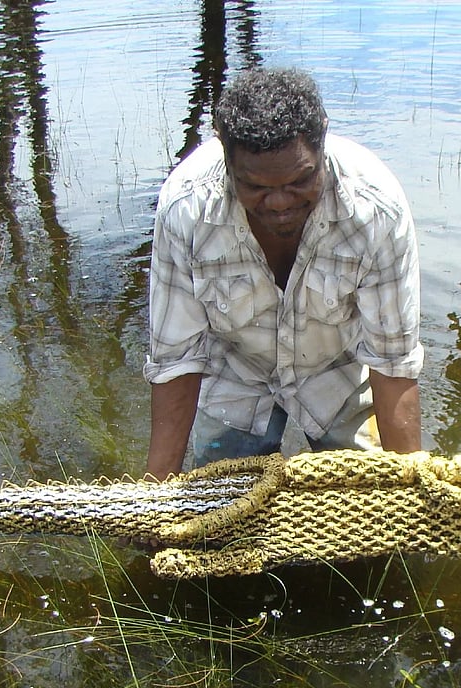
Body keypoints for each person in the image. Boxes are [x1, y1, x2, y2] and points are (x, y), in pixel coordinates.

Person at [144, 67, 423, 478]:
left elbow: (392, 362)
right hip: (237, 373)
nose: (278, 203)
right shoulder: (186, 210)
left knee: (374, 499)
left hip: (336, 369)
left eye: (300, 181)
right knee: (220, 514)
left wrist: (412, 495)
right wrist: (155, 499)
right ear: (226, 157)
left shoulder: (376, 211)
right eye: (255, 186)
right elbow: (176, 361)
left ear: (322, 140)